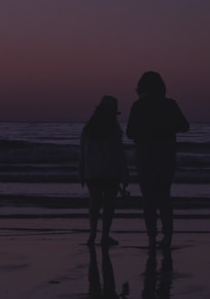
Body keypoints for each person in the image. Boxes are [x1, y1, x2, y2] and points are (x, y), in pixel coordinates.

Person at [126, 71, 189, 249]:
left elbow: (130, 132)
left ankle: (151, 237)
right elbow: (185, 126)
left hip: (145, 155)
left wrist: (146, 132)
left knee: (148, 199)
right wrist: (166, 128)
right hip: (166, 155)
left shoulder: (138, 106)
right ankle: (167, 236)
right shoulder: (170, 104)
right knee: (164, 197)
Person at [79, 95, 129, 246]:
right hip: (110, 173)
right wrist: (124, 174)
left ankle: (92, 234)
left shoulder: (88, 129)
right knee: (108, 206)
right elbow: (119, 155)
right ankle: (105, 236)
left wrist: (81, 173)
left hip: (92, 173)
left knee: (94, 204)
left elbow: (82, 154)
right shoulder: (114, 131)